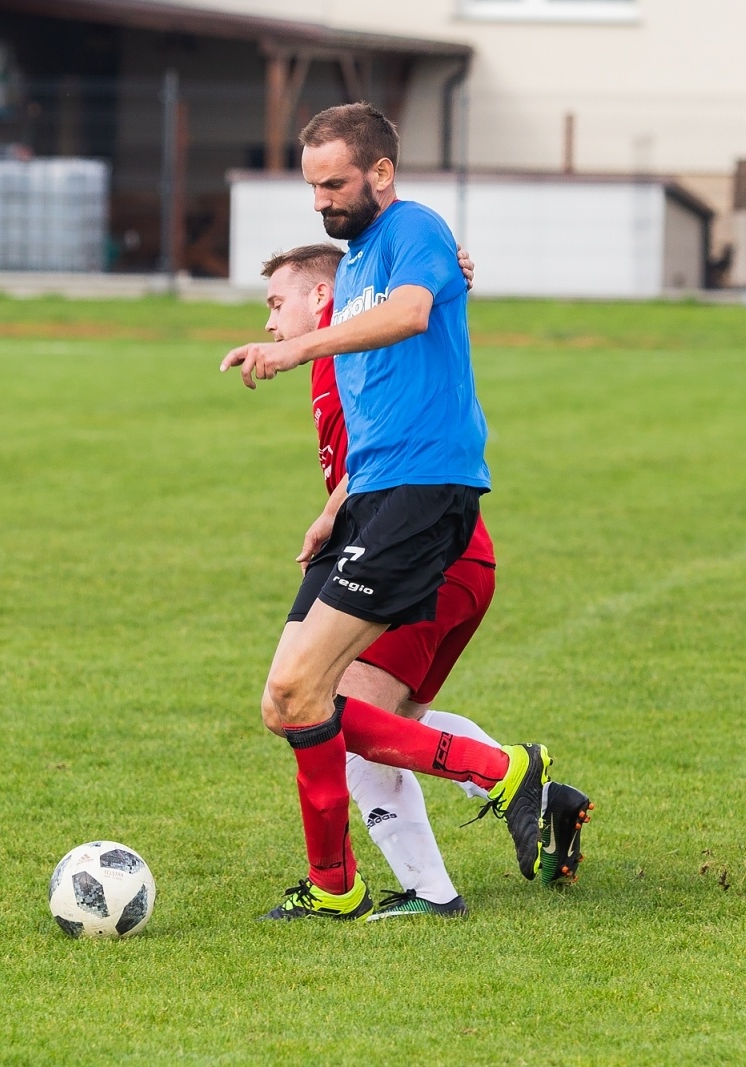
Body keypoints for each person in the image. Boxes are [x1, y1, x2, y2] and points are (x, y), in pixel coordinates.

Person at [223, 103, 574, 921]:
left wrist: (296, 346)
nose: (321, 200)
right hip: (374, 500)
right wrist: (334, 506)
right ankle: (348, 878)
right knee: (287, 699)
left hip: (421, 496)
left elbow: (416, 309)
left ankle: (387, 860)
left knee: (317, 694)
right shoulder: (361, 265)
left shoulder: (412, 225)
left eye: (335, 182)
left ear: (380, 172)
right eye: (312, 186)